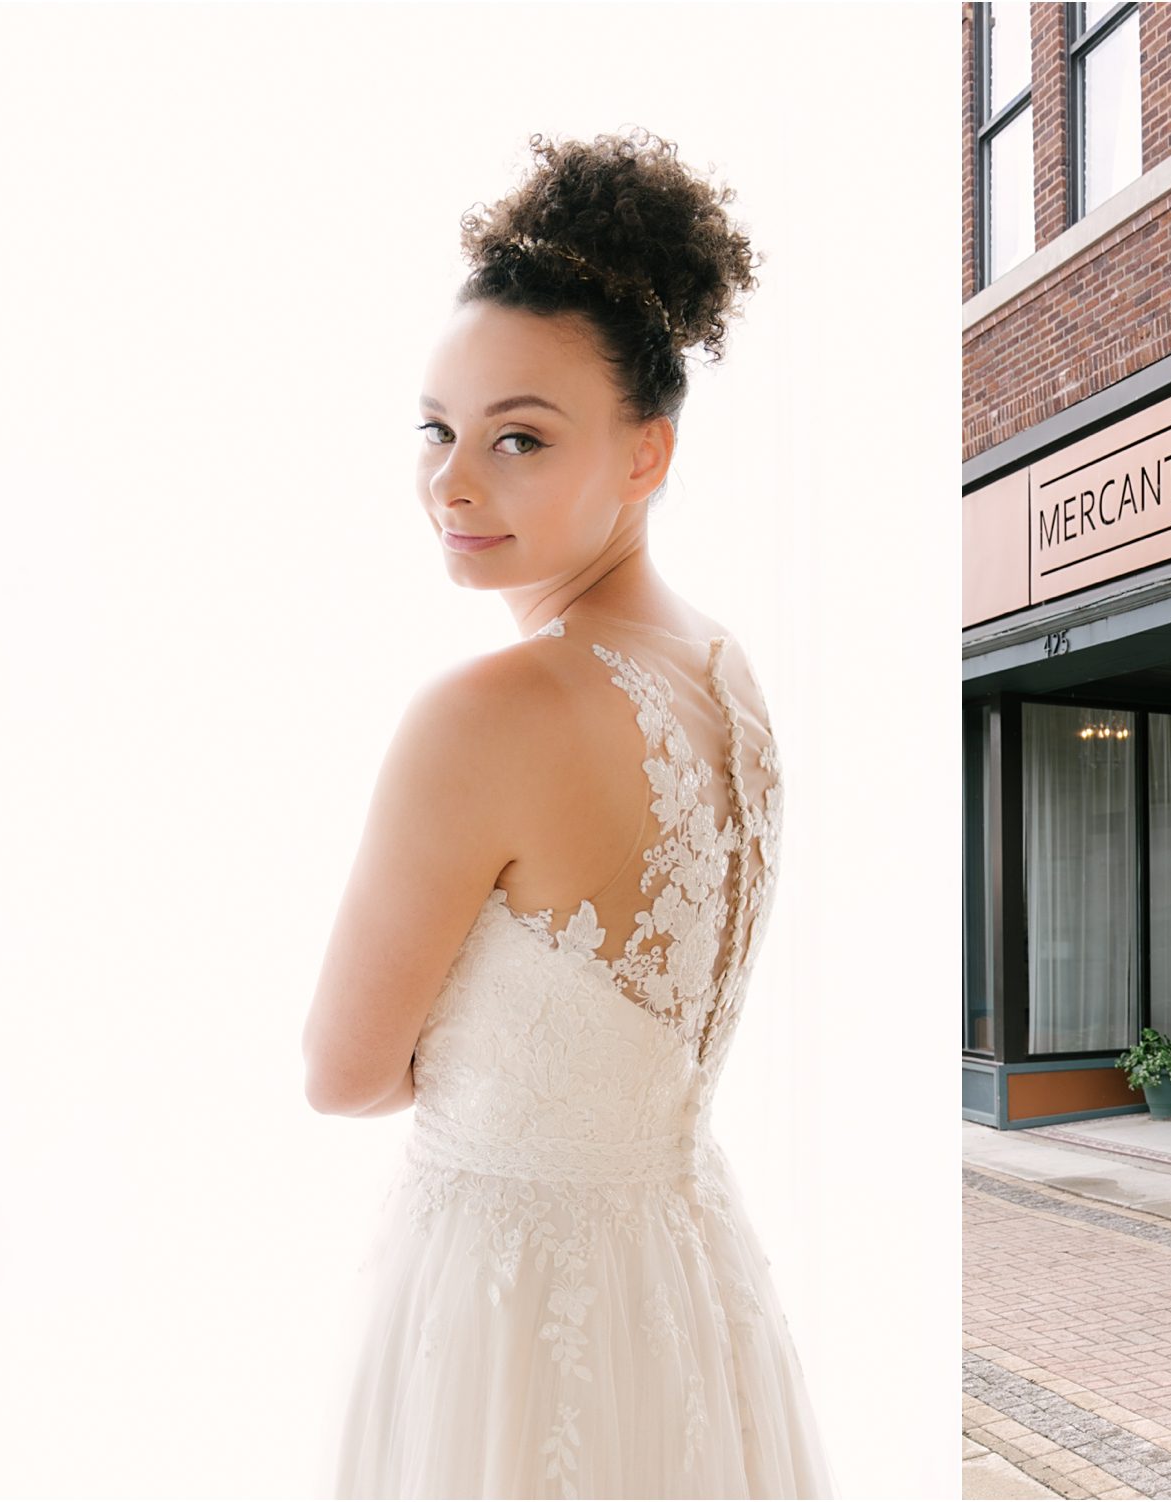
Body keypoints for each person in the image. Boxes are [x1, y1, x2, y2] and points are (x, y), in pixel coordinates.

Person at [301, 129, 835, 1497]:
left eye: (520, 437)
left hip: (511, 1304)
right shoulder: (729, 672)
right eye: (438, 427)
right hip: (684, 1280)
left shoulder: (488, 713)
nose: (454, 481)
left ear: (647, 453)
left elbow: (344, 1070)